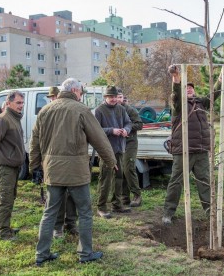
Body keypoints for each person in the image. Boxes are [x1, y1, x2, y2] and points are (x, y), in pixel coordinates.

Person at [30, 78, 116, 266]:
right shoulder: (81, 110)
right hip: (76, 171)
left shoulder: (45, 110)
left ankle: (41, 254)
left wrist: (34, 166)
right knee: (84, 212)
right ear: (76, 91)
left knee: (50, 212)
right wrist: (111, 161)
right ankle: (85, 253)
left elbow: (34, 141)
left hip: (52, 170)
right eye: (81, 92)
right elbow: (99, 138)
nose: (81, 95)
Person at [162, 64, 223, 225]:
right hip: (183, 151)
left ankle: (210, 211)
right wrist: (176, 78)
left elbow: (214, 95)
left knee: (204, 182)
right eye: (186, 87)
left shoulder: (201, 103)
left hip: (201, 150)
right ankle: (168, 212)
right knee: (176, 182)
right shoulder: (178, 105)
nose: (189, 89)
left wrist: (221, 79)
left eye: (191, 88)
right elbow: (176, 94)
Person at [0, 90, 25, 240]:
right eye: (18, 103)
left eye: (22, 103)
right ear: (8, 103)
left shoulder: (13, 118)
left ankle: (5, 227)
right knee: (4, 199)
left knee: (9, 198)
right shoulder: (3, 119)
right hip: (4, 166)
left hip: (12, 167)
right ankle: (1, 231)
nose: (21, 105)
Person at [95, 85, 132, 218]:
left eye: (115, 96)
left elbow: (129, 123)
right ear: (105, 97)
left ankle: (117, 204)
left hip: (119, 148)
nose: (113, 99)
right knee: (105, 178)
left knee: (119, 177)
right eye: (110, 97)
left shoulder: (121, 109)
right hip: (106, 150)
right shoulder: (99, 110)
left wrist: (126, 130)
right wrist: (112, 130)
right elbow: (96, 130)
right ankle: (102, 206)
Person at [46, 86, 79, 238]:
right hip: (55, 162)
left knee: (71, 196)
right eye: (51, 97)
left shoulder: (75, 110)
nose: (53, 99)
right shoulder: (47, 112)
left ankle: (70, 223)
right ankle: (57, 227)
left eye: (55, 96)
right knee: (56, 199)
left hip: (72, 161)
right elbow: (38, 139)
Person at [117, 90, 144, 207]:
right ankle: (124, 197)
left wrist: (126, 128)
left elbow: (139, 124)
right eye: (116, 97)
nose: (118, 99)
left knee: (129, 168)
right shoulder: (111, 110)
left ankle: (137, 195)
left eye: (120, 97)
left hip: (130, 142)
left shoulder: (129, 110)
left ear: (123, 98)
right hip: (117, 143)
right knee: (120, 169)